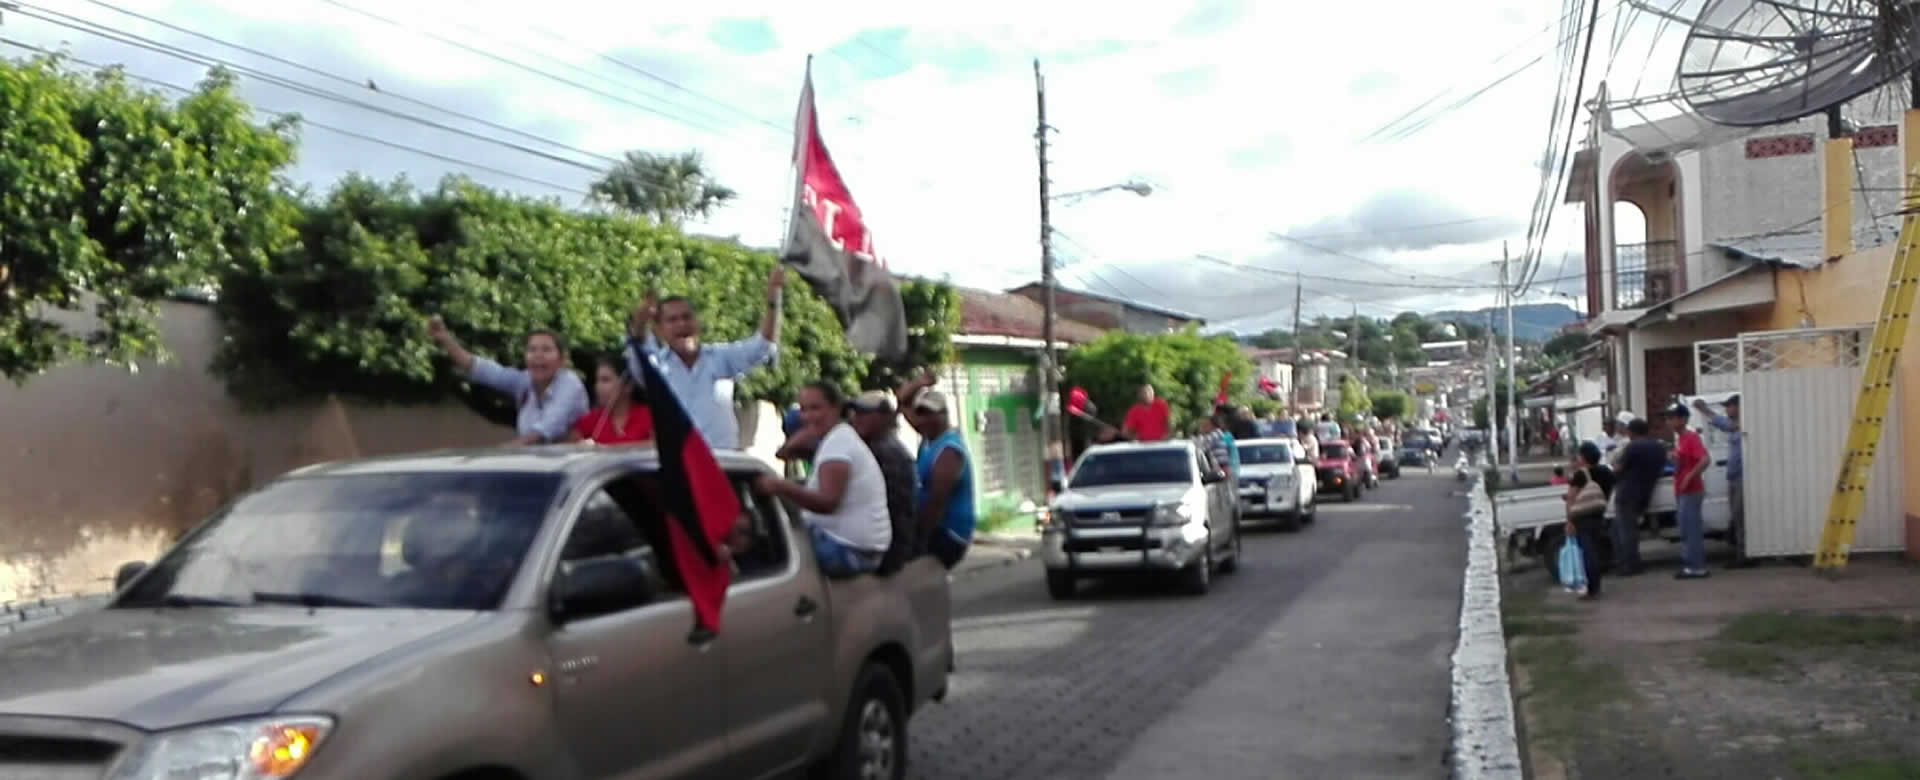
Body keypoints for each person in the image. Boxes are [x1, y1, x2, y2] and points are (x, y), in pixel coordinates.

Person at [627, 267, 786, 450]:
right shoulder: (657, 367)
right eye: (672, 320)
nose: (681, 324)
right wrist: (639, 322)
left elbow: (763, 345)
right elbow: (638, 352)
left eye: (687, 317)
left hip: (722, 462)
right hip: (678, 464)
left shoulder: (720, 358)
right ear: (659, 329)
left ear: (697, 322)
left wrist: (773, 298)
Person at [754, 382, 891, 577]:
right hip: (856, 547)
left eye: (816, 408)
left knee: (763, 549)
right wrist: (805, 434)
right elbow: (783, 454)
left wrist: (781, 486)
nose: (808, 416)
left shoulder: (838, 444)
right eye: (803, 409)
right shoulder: (836, 438)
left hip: (850, 551)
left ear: (835, 408)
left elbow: (827, 503)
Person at [428, 318, 589, 445]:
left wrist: (509, 450)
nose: (538, 355)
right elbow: (483, 370)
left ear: (561, 360)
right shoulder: (524, 381)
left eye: (546, 349)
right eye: (532, 350)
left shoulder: (570, 384)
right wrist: (445, 339)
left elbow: (547, 427)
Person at [899, 376, 976, 568]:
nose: (924, 419)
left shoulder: (949, 450)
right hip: (935, 526)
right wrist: (919, 383)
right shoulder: (928, 438)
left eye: (930, 413)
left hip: (949, 532)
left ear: (944, 415)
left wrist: (917, 540)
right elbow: (902, 402)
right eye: (921, 413)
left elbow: (936, 502)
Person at [846, 390, 918, 574]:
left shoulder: (886, 452)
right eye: (855, 413)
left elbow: (891, 510)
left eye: (864, 413)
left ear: (884, 417)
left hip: (885, 551)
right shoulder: (870, 447)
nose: (856, 418)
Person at [1694, 395, 1748, 568]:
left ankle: (1744, 556)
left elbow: (1726, 425)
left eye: (1729, 406)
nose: (1727, 409)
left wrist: (1705, 410)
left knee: (1740, 518)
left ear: (1739, 407)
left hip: (1742, 477)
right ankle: (1740, 553)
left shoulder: (1744, 423)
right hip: (1734, 477)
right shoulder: (1736, 426)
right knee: (1736, 517)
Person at [1610, 418, 1664, 576]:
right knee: (1619, 529)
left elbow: (1618, 468)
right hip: (1645, 493)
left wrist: (1613, 468)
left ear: (1632, 432)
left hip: (1627, 492)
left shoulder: (1633, 447)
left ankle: (1630, 565)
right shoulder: (1658, 447)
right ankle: (1627, 561)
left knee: (1626, 530)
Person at [1563, 442, 1614, 599]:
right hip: (1598, 514)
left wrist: (1569, 521)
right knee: (1595, 551)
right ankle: (1596, 586)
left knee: (1587, 552)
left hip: (1582, 517)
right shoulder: (1606, 472)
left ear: (1583, 458)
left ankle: (1592, 589)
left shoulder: (1581, 475)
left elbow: (1571, 498)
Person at [1667, 405, 1711, 579]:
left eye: (1672, 417)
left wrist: (1689, 477)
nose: (1669, 421)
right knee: (1685, 529)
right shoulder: (1680, 439)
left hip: (1691, 490)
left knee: (1691, 529)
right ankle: (1690, 564)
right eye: (1668, 418)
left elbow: (1705, 460)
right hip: (1682, 491)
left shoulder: (1691, 437)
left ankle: (1697, 567)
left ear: (1684, 419)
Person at [568, 356, 654, 445]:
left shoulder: (650, 418)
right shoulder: (592, 419)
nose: (598, 387)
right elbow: (566, 448)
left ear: (628, 386)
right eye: (597, 381)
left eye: (605, 380)